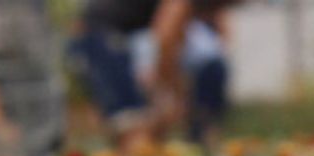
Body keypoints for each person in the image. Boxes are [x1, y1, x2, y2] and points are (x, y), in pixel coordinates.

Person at [72, 0, 236, 148]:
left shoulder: (207, 11)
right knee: (135, 126)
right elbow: (166, 37)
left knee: (212, 64)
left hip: (132, 35)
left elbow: (218, 35)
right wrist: (169, 93)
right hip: (104, 35)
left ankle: (201, 136)